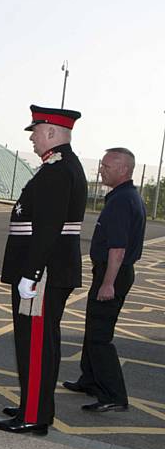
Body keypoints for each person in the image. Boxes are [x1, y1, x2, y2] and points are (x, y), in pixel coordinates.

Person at [0, 105, 87, 436]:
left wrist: (30, 275)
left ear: (50, 132)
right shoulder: (58, 167)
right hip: (46, 270)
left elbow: (47, 229)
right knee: (38, 343)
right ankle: (33, 404)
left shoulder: (58, 170)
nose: (32, 139)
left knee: (35, 345)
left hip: (42, 273)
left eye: (35, 132)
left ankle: (33, 415)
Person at [63, 148, 146, 412]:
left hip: (114, 274)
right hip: (111, 272)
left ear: (124, 169)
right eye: (102, 165)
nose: (102, 170)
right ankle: (90, 379)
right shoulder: (125, 196)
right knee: (93, 327)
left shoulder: (122, 201)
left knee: (100, 336)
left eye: (107, 166)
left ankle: (113, 395)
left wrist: (108, 283)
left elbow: (118, 249)